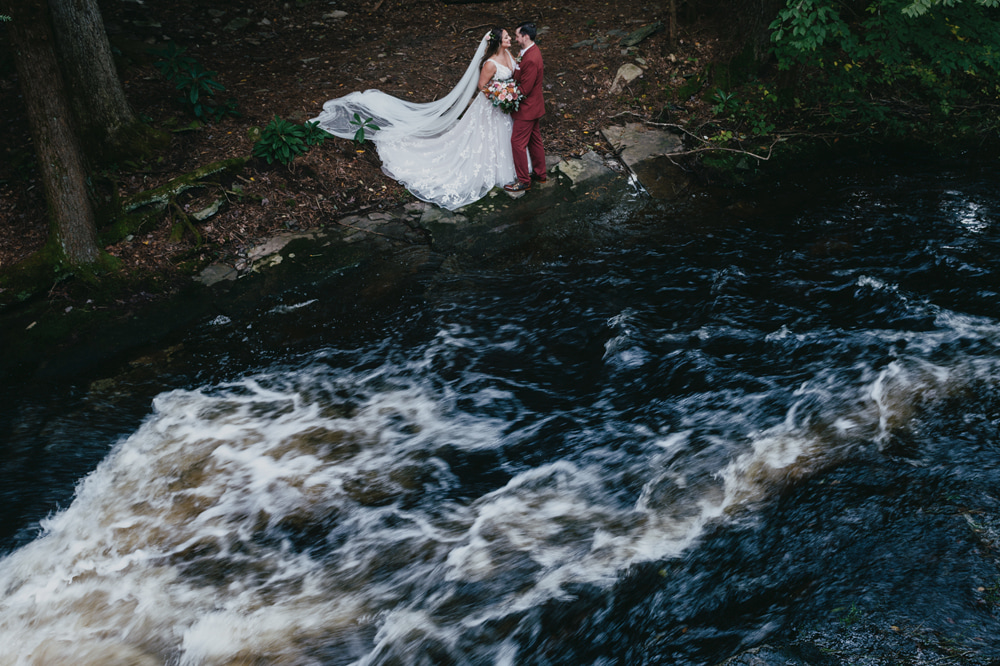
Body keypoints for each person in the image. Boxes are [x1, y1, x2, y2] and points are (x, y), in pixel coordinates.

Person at [311, 29, 517, 211]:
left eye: (509, 36)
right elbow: (482, 85)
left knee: (502, 134)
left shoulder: (508, 54)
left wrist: (510, 92)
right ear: (498, 41)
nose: (510, 39)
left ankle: (504, 168)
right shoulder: (490, 64)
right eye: (507, 37)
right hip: (491, 105)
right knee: (483, 136)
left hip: (503, 106)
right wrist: (499, 96)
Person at [504, 22, 546, 193]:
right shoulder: (528, 52)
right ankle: (541, 174)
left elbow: (524, 89)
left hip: (527, 109)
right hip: (534, 106)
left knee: (517, 143)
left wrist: (505, 94)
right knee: (534, 140)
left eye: (517, 36)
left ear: (526, 37)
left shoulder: (530, 58)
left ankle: (523, 181)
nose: (515, 39)